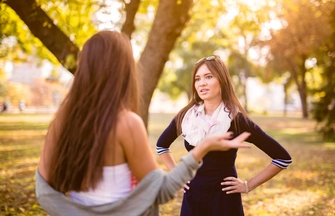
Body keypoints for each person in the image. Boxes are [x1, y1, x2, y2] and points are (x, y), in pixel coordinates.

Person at [35, 31, 252, 216]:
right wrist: (204, 147)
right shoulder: (126, 124)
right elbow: (161, 192)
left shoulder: (61, 122)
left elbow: (44, 193)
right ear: (122, 70)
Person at [156, 55, 292, 216]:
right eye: (197, 79)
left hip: (225, 201)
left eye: (208, 77)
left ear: (222, 80)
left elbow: (282, 158)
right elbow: (161, 146)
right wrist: (178, 175)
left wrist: (248, 185)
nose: (202, 83)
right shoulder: (186, 117)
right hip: (193, 199)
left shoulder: (236, 119)